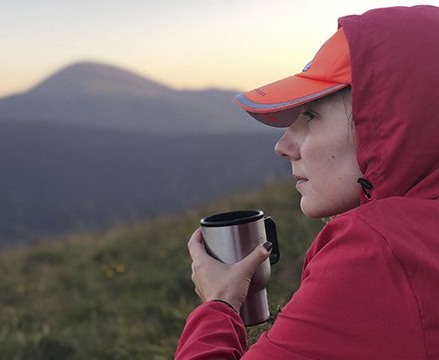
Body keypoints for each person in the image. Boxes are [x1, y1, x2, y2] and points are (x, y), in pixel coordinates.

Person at [175, 5, 439, 359]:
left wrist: (219, 304)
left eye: (311, 116)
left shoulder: (380, 250)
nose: (283, 146)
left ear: (390, 123)